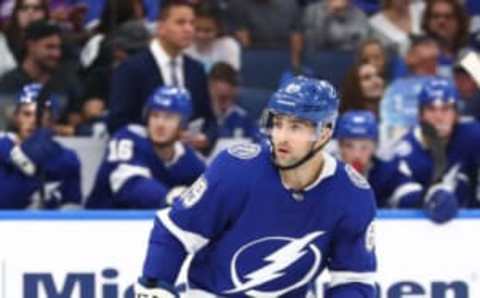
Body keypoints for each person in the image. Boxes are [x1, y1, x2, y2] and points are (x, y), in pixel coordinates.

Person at [135, 76, 377, 297]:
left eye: (296, 127)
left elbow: (354, 279)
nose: (281, 136)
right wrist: (155, 286)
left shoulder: (352, 194)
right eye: (278, 123)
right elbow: (175, 232)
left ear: (324, 134)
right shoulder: (236, 169)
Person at [107, 0, 214, 152]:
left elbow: (209, 119)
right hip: (142, 160)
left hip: (187, 163)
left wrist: (206, 138)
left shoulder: (196, 69)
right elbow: (117, 122)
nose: (189, 29)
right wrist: (159, 140)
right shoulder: (131, 68)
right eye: (180, 23)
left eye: (192, 23)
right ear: (161, 27)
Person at [86, 86, 205, 209]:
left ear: (183, 124)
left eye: (169, 117)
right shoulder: (127, 139)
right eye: (155, 115)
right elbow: (129, 184)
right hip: (101, 224)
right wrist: (169, 197)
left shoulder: (189, 158)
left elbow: (209, 193)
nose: (160, 124)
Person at [392, 77, 480, 221]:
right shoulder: (406, 150)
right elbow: (402, 198)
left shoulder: (472, 136)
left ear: (456, 114)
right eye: (431, 109)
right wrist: (430, 197)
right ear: (420, 115)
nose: (439, 117)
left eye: (446, 109)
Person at [0, 83, 82, 209]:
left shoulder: (67, 157)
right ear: (16, 117)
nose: (33, 121)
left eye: (41, 115)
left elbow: (72, 207)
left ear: (52, 120)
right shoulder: (3, 148)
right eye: (27, 114)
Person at [335, 110, 420, 209]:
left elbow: (408, 191)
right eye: (349, 146)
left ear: (374, 147)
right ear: (339, 147)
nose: (356, 155)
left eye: (364, 147)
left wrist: (427, 197)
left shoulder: (386, 172)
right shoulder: (325, 172)